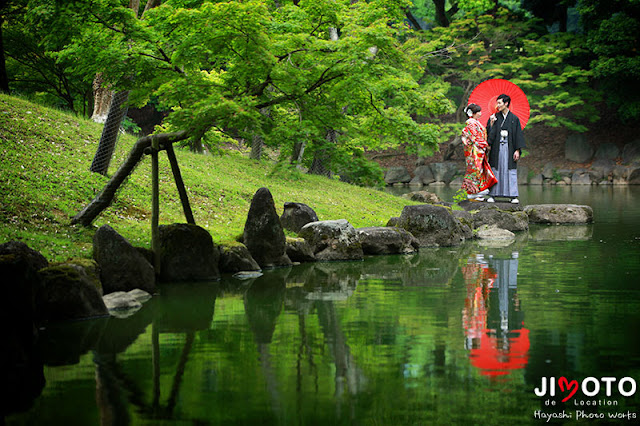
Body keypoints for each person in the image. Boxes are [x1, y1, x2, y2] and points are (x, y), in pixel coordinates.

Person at [486, 94, 526, 204]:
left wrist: (517, 150)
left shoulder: (514, 119)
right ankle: (492, 194)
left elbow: (518, 135)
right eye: (497, 103)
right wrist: (491, 124)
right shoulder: (495, 117)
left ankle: (512, 195)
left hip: (509, 148)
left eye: (499, 103)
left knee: (510, 170)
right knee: (495, 169)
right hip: (497, 148)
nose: (497, 105)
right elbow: (489, 134)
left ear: (506, 103)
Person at [461, 103, 497, 202]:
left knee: (477, 171)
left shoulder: (475, 122)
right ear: (472, 113)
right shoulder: (471, 123)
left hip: (477, 151)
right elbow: (474, 138)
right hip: (474, 151)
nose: (480, 114)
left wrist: (491, 124)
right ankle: (473, 192)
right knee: (475, 170)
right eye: (478, 112)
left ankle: (475, 192)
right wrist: (485, 144)